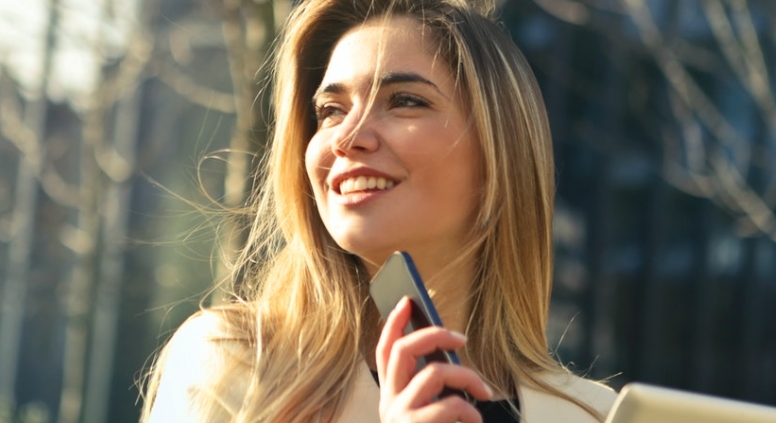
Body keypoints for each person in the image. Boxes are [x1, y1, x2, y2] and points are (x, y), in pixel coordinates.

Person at [142, 0, 617, 421]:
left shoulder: (596, 415)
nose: (348, 136)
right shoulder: (233, 365)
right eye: (330, 110)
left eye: (404, 101)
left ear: (500, 153)